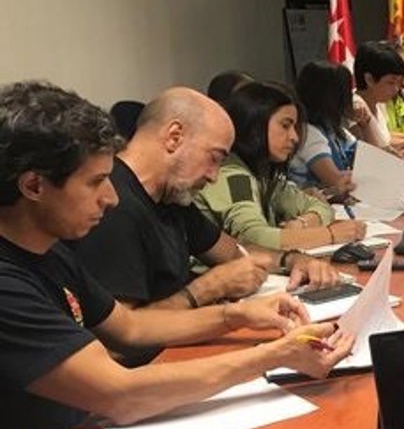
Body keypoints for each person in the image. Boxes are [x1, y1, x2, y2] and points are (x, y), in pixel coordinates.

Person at [0, 80, 353, 429]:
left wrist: (237, 316)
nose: (111, 198)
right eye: (95, 182)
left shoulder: (48, 250)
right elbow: (120, 394)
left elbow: (130, 327)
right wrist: (276, 355)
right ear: (34, 186)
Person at [69, 88, 340, 361]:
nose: (213, 176)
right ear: (174, 137)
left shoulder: (171, 195)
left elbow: (234, 253)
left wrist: (293, 260)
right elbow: (119, 339)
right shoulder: (113, 209)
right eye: (214, 158)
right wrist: (210, 288)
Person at [196, 81, 365, 250]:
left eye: (294, 127)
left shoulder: (264, 173)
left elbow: (321, 206)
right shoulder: (233, 175)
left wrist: (302, 224)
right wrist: (330, 235)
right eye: (285, 126)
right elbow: (253, 238)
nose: (294, 137)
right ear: (255, 124)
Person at [289, 61, 357, 199]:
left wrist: (366, 123)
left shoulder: (333, 128)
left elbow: (365, 157)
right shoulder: (308, 133)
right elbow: (336, 181)